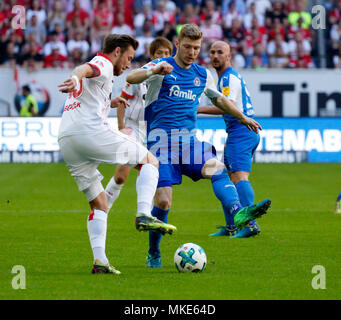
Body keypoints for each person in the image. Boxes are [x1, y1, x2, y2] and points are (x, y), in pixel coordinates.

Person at [126, 24, 271, 268]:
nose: (192, 52)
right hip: (160, 142)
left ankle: (238, 212)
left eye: (196, 48)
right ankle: (153, 252)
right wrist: (153, 71)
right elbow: (131, 77)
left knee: (216, 167)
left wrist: (242, 117)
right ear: (178, 45)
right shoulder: (161, 67)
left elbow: (221, 100)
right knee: (163, 202)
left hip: (189, 142)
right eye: (188, 47)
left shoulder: (202, 74)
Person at [57, 34, 176, 275]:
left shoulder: (105, 75)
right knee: (150, 161)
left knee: (99, 203)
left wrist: (109, 102)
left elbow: (88, 91)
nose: (128, 65)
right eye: (129, 58)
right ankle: (143, 214)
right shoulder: (102, 63)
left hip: (67, 140)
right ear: (117, 51)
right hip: (88, 133)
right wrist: (74, 76)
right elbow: (85, 69)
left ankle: (99, 262)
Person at [198, 40, 261, 238]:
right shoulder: (226, 77)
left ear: (229, 56)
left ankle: (250, 225)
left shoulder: (228, 78)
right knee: (226, 177)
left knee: (238, 178)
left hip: (241, 130)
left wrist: (196, 109)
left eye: (220, 53)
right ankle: (232, 226)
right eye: (213, 52)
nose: (215, 56)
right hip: (238, 132)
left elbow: (227, 106)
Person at [105, 37, 173, 213]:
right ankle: (102, 207)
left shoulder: (172, 80)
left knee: (152, 173)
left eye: (167, 54)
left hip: (154, 132)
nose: (163, 56)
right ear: (152, 56)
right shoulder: (140, 76)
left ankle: (146, 213)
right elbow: (122, 101)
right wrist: (121, 127)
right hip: (134, 128)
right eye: (159, 53)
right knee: (121, 176)